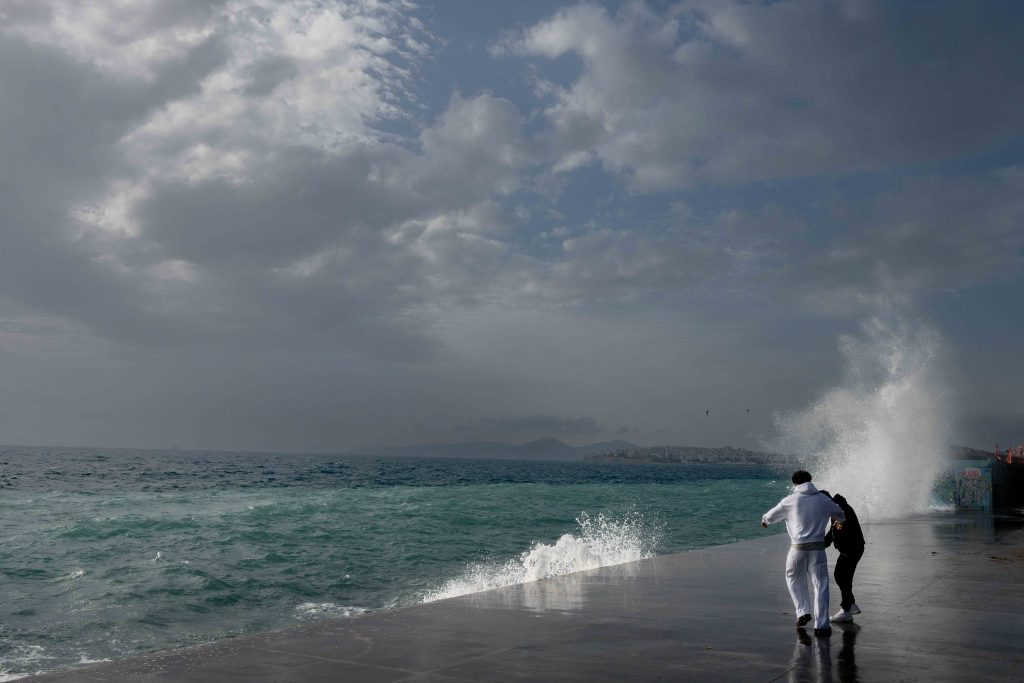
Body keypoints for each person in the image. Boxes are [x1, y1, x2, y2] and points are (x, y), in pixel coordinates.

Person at [761, 470, 845, 637]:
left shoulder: (789, 501)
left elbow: (768, 518)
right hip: (818, 550)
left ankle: (802, 611)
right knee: (820, 585)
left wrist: (764, 521)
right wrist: (839, 522)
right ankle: (821, 625)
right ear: (810, 481)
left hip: (798, 548)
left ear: (795, 484)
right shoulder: (823, 499)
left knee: (792, 577)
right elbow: (840, 514)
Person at [823, 493, 865, 623]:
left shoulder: (841, 509)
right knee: (842, 576)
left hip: (851, 549)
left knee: (842, 576)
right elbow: (832, 531)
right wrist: (822, 544)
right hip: (852, 548)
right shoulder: (837, 507)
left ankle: (846, 610)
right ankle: (850, 604)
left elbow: (841, 526)